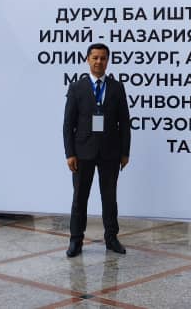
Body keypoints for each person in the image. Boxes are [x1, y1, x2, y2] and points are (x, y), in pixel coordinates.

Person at [63, 43, 131, 257]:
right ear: (88, 60)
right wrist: (70, 153)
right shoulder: (77, 88)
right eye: (95, 58)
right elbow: (68, 124)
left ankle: (111, 238)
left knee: (110, 198)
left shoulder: (117, 88)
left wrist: (125, 152)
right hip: (82, 152)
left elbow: (124, 123)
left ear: (107, 61)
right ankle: (76, 240)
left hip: (110, 152)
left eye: (103, 58)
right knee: (79, 198)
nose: (99, 62)